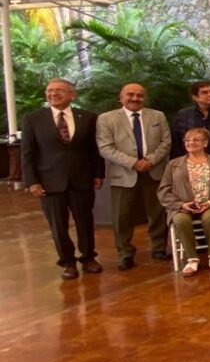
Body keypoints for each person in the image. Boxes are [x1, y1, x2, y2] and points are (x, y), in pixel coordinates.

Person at [21, 78, 105, 279]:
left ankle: (88, 258)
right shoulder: (33, 119)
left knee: (85, 221)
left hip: (81, 179)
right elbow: (27, 153)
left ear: (72, 95)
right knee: (58, 225)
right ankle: (67, 262)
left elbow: (95, 149)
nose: (53, 94)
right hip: (49, 181)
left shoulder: (88, 117)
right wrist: (32, 181)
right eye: (50, 90)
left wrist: (98, 173)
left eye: (59, 90)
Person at [96, 83, 172, 270]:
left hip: (154, 172)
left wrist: (150, 161)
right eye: (130, 94)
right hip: (123, 174)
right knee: (122, 216)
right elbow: (105, 147)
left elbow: (166, 142)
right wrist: (133, 163)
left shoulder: (158, 116)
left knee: (157, 213)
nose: (135, 98)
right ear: (121, 97)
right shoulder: (106, 119)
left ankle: (159, 248)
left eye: (140, 95)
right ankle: (125, 253)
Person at [157, 127, 210, 276]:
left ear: (205, 143)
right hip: (183, 206)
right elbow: (163, 190)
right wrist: (181, 205)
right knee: (180, 220)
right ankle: (192, 258)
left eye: (196, 140)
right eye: (187, 140)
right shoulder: (173, 164)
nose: (191, 143)